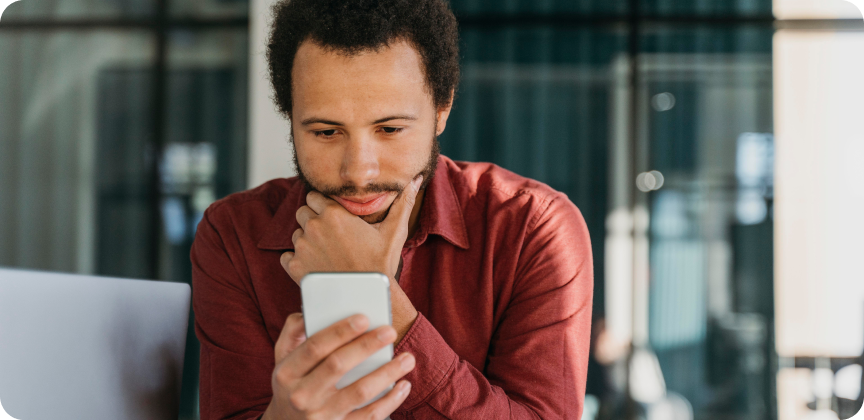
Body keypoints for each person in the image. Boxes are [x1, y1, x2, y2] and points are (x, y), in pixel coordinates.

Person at [191, 0, 594, 418]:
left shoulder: (533, 228)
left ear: (442, 110)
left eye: (390, 129)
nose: (359, 171)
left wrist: (376, 292)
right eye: (326, 132)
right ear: (290, 117)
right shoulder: (233, 234)